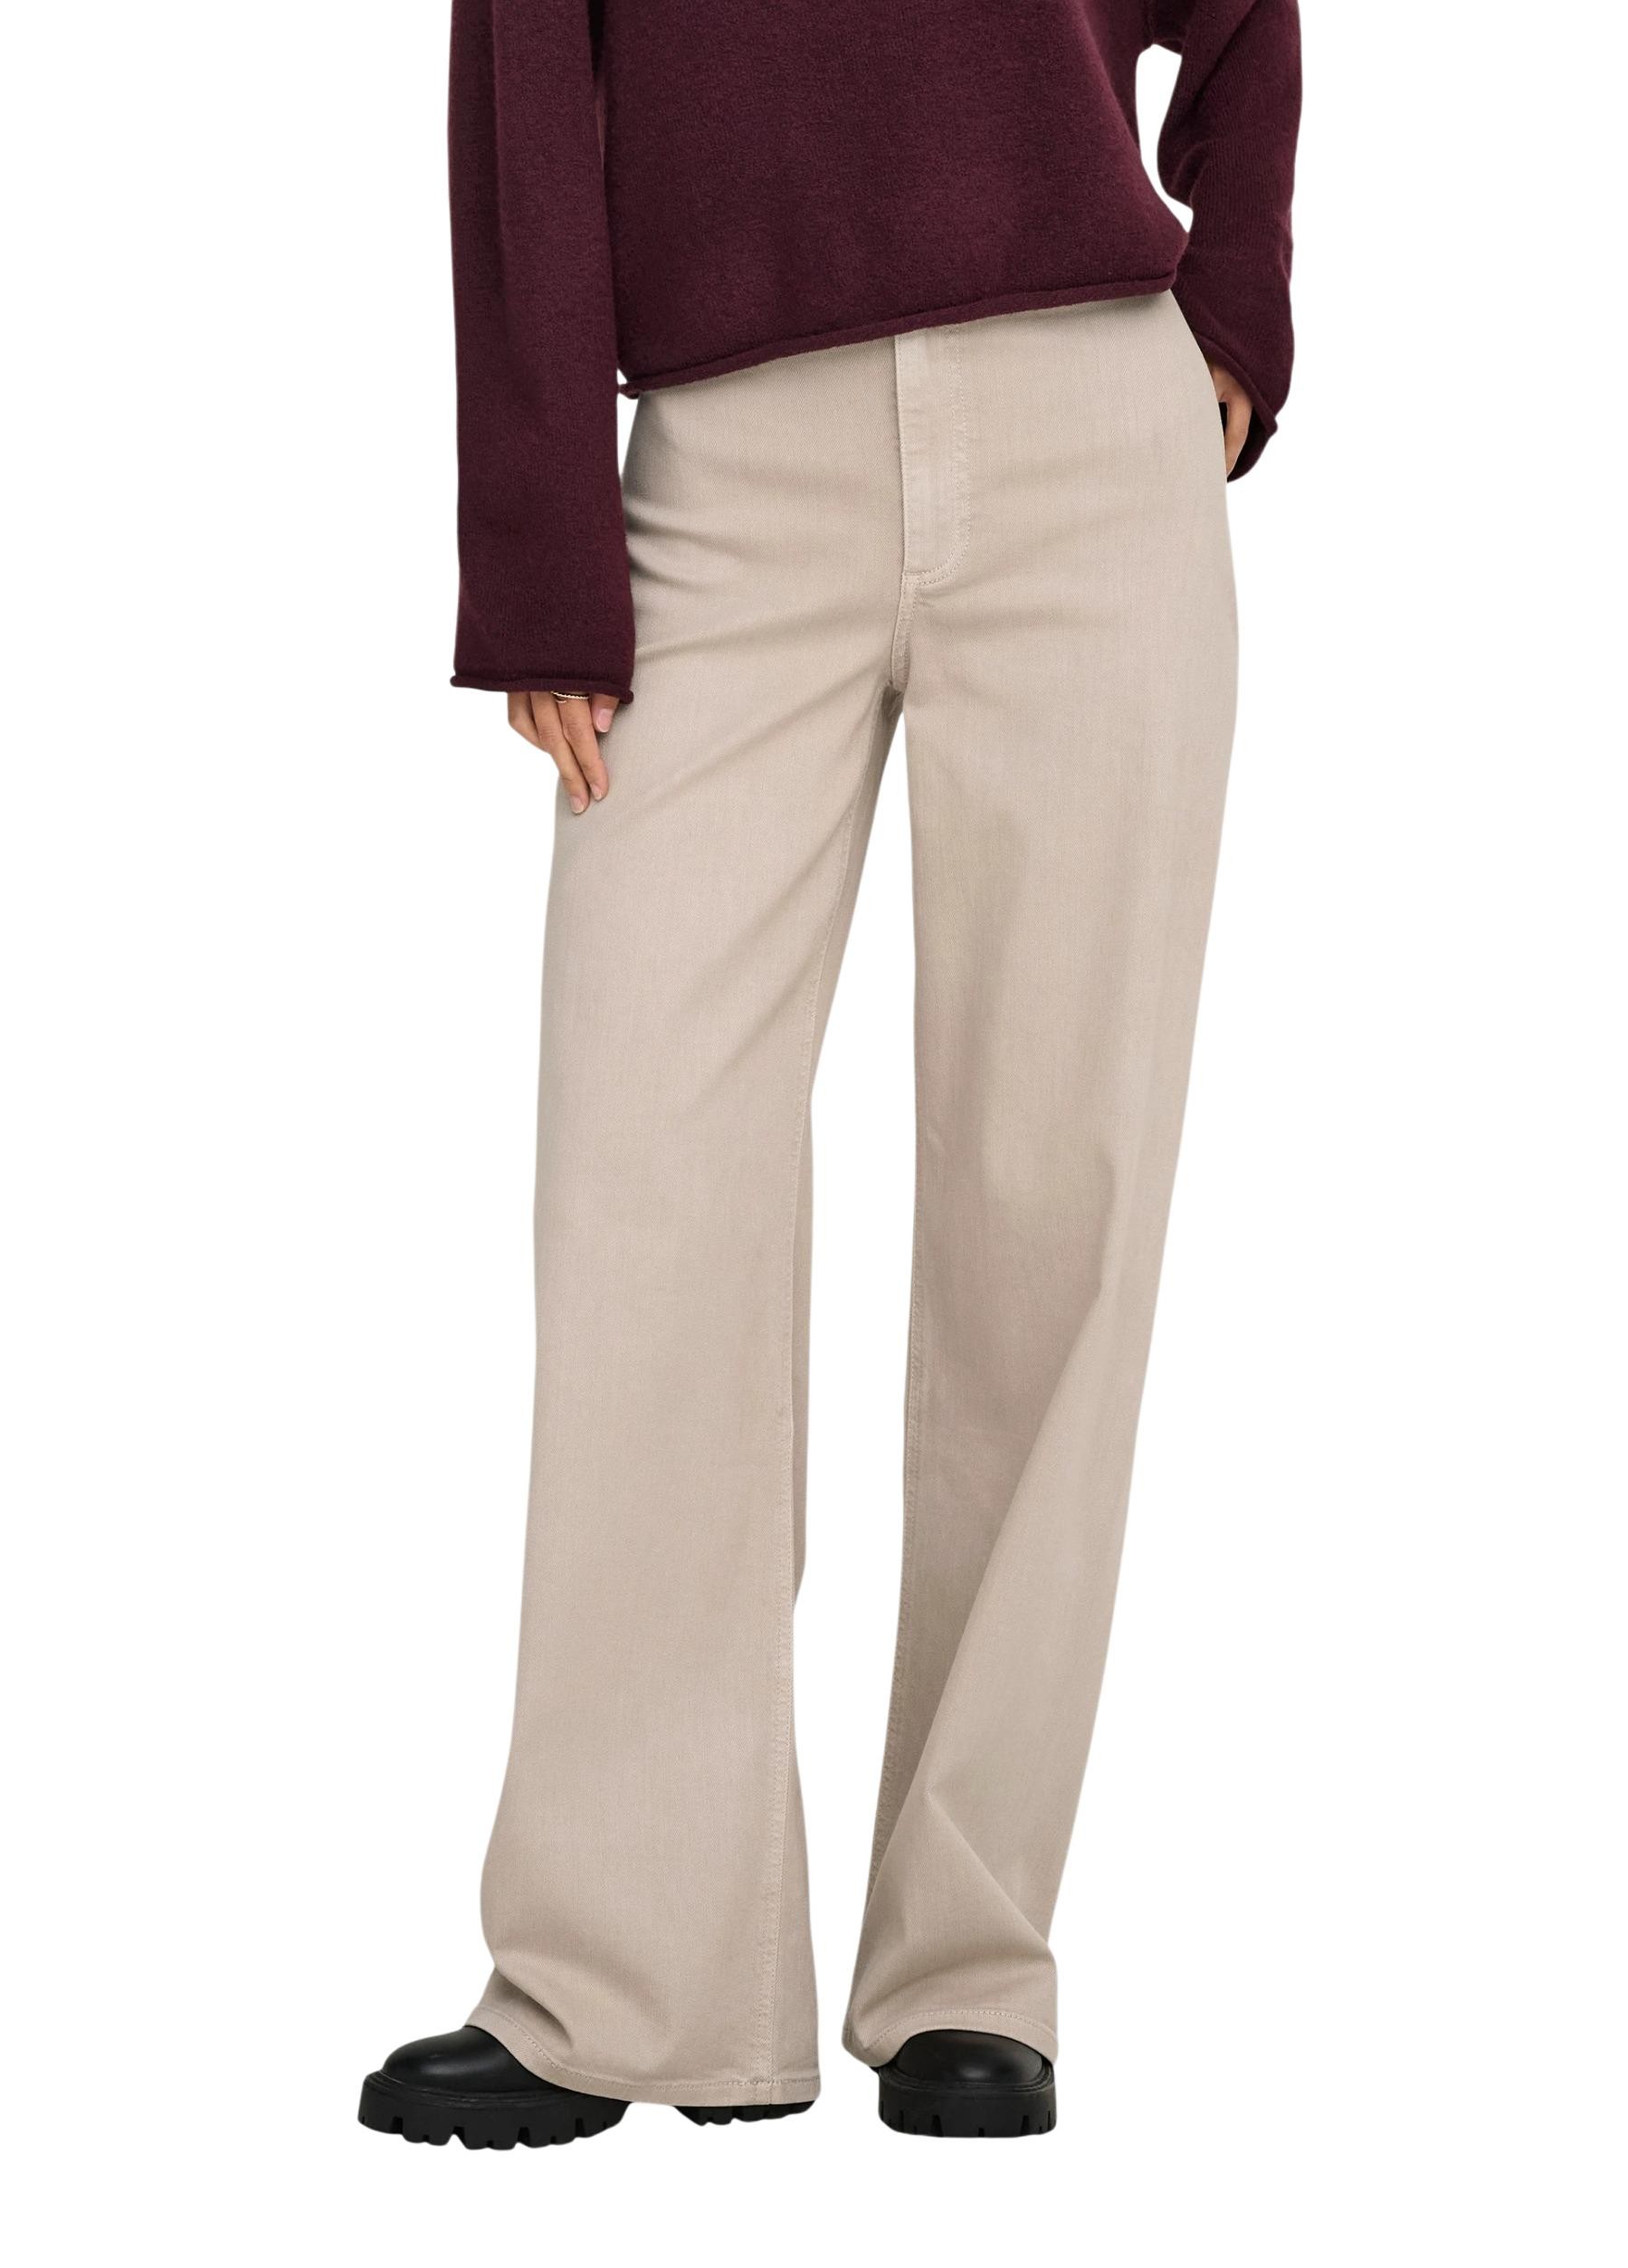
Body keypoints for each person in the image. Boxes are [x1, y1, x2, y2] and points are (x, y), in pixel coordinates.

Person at [359, 0, 1300, 2147]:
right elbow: (521, 71)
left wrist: (1239, 287)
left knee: (1053, 1200)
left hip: (1089, 430)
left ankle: (970, 1963)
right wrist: (537, 536)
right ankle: (623, 1978)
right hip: (723, 464)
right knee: (643, 1197)